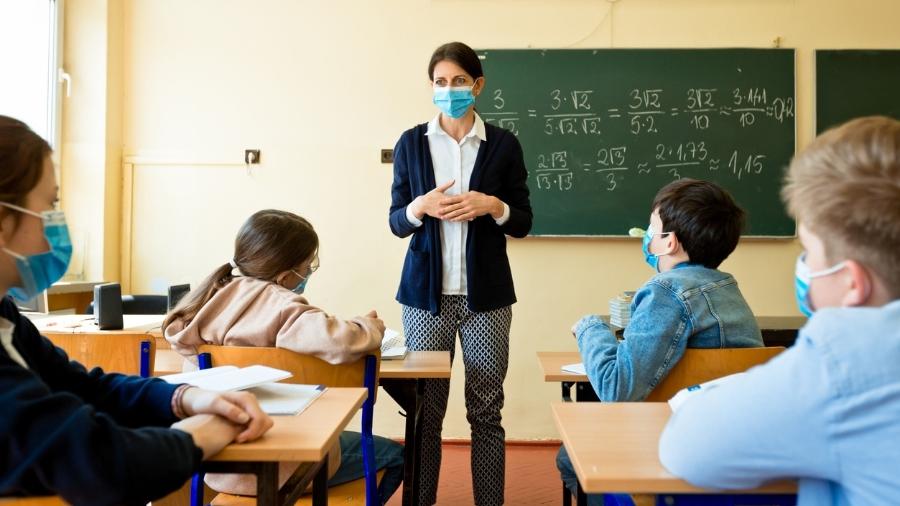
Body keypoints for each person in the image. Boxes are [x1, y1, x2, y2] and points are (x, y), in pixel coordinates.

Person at [0, 115, 273, 505]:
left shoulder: (6, 317)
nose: (58, 223)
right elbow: (103, 463)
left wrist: (187, 399)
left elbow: (84, 387)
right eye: (50, 205)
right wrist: (203, 433)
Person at [659, 116, 900, 505]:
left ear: (853, 283)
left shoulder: (847, 359)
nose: (805, 264)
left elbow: (687, 449)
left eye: (809, 250)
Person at [164, 209, 404, 504]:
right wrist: (369, 327)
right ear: (287, 274)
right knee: (396, 455)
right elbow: (341, 341)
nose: (309, 273)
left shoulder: (204, 304)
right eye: (307, 265)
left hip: (218, 463)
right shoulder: (283, 307)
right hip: (294, 464)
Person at [558, 178, 764, 505]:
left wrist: (590, 328)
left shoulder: (665, 292)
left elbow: (617, 388)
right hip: (737, 446)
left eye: (652, 227)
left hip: (679, 446)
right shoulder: (727, 287)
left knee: (568, 458)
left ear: (669, 242)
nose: (647, 236)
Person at [388, 41, 532, 506]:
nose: (449, 90)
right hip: (425, 298)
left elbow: (524, 221)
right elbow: (395, 221)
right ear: (431, 87)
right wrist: (420, 206)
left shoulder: (503, 145)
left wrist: (494, 206)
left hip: (485, 299)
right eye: (440, 82)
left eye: (458, 82)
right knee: (425, 412)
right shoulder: (412, 142)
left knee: (486, 409)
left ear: (478, 85)